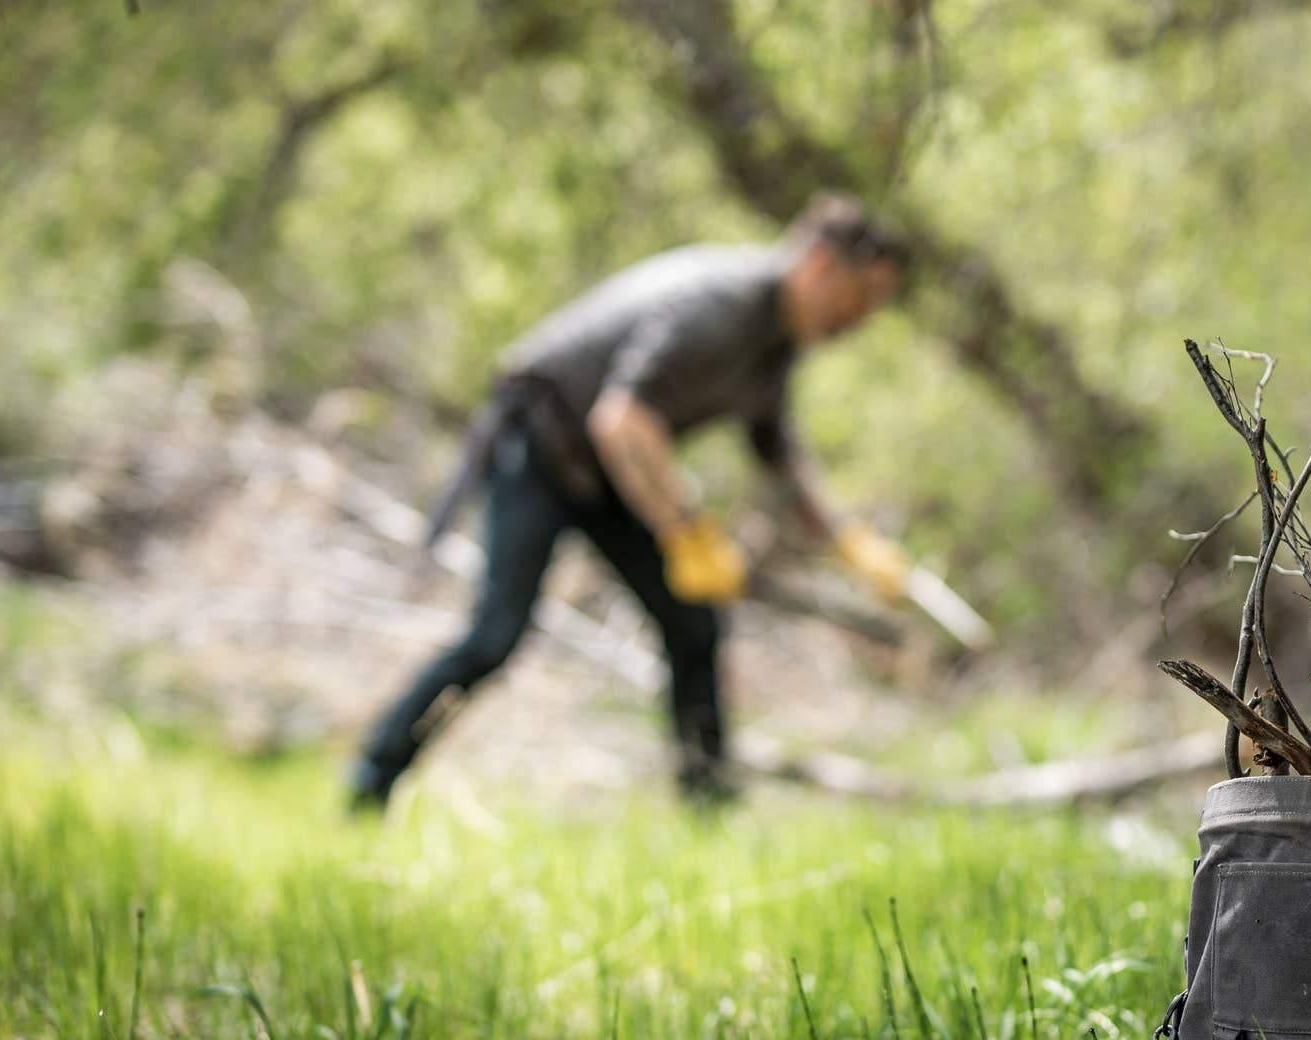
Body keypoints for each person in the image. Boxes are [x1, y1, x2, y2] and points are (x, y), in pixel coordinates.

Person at [350, 194, 912, 808]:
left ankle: (709, 805)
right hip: (539, 443)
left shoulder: (777, 343)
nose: (859, 321)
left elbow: (777, 457)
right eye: (860, 300)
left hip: (608, 476)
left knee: (693, 624)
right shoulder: (724, 306)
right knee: (495, 637)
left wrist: (847, 543)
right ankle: (372, 780)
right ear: (821, 267)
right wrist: (687, 530)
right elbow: (621, 420)